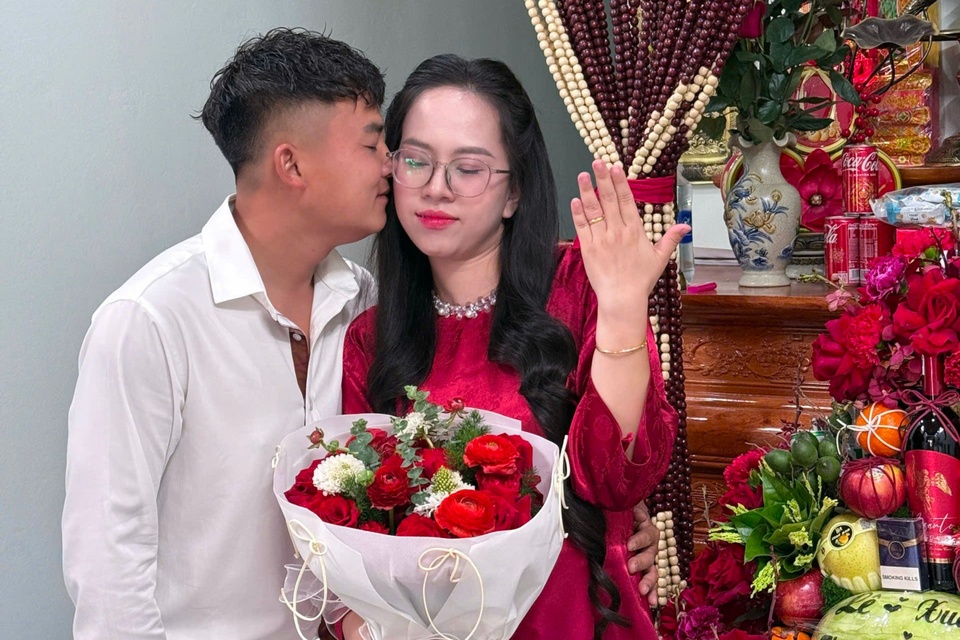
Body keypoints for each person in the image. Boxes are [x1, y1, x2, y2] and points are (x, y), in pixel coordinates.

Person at [340, 55, 687, 640]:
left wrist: (624, 309)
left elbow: (616, 479)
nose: (436, 188)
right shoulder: (370, 338)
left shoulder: (582, 285)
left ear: (514, 192)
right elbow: (361, 535)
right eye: (416, 160)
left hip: (578, 618)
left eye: (468, 169)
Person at [62, 29, 390, 639]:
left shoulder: (365, 303)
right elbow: (108, 561)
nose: (390, 164)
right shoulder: (150, 319)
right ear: (291, 164)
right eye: (372, 144)